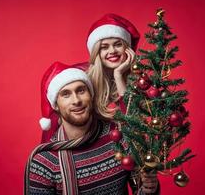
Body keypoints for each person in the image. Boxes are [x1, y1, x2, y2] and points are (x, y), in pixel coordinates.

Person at [24, 62, 159, 195]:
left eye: (81, 90)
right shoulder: (44, 162)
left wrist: (149, 189)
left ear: (91, 95)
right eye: (66, 94)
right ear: (56, 105)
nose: (76, 100)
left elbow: (140, 189)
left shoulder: (118, 138)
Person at [86, 14, 159, 194]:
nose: (112, 51)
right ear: (97, 52)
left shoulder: (140, 82)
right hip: (91, 161)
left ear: (127, 48)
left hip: (125, 160)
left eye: (117, 44)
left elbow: (134, 123)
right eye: (104, 47)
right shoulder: (86, 82)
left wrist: (119, 75)